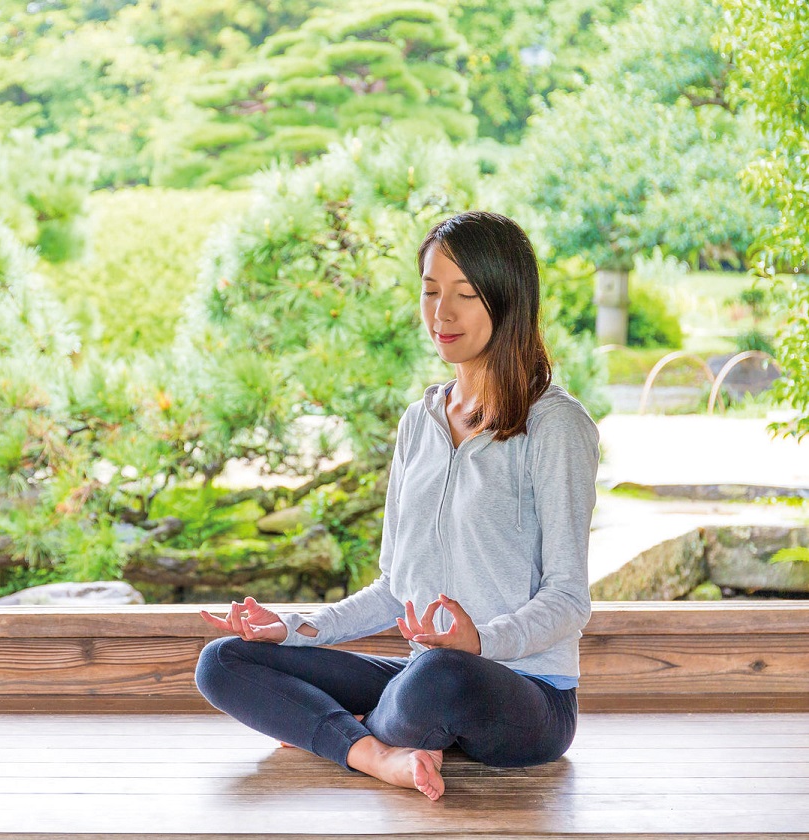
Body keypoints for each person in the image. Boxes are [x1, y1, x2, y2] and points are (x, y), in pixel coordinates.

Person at [194, 210, 600, 801]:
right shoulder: (421, 422)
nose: (442, 313)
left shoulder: (555, 425)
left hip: (524, 693)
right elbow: (393, 589)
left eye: (465, 294)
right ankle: (376, 753)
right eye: (431, 291)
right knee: (224, 660)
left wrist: (480, 643)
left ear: (509, 301)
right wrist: (291, 627)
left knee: (440, 676)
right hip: (420, 678)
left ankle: (332, 730)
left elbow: (568, 599)